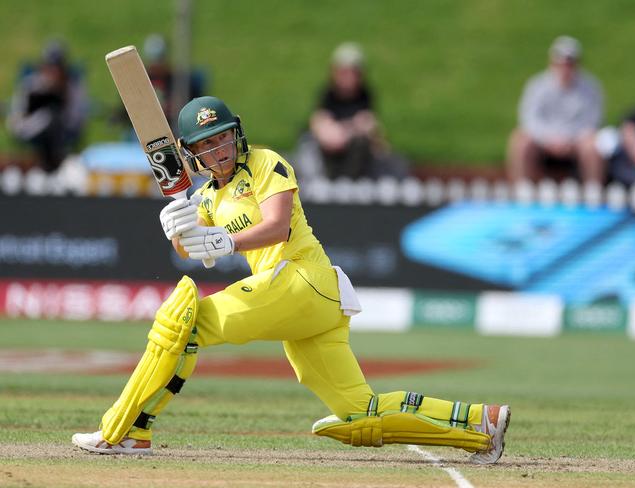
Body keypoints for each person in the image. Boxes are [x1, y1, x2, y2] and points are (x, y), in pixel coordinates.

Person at [71, 96, 509, 463]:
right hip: (304, 305)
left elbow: (277, 227)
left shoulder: (267, 163)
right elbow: (194, 251)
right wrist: (179, 229)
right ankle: (479, 424)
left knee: (184, 323)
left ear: (236, 134)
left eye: (223, 136)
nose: (219, 148)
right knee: (360, 412)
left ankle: (127, 430)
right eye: (207, 142)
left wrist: (224, 240)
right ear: (191, 152)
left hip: (302, 279)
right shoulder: (204, 196)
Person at [295, 42, 408, 182]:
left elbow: (370, 125)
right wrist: (348, 128)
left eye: (353, 73)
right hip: (327, 155)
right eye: (344, 72)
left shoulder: (365, 95)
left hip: (353, 154)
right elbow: (324, 128)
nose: (348, 78)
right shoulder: (328, 95)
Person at [506, 36, 604, 184]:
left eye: (569, 63)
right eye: (561, 63)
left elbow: (592, 120)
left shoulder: (591, 87)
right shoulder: (537, 85)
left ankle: (593, 189)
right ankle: (522, 189)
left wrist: (568, 140)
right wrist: (549, 139)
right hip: (543, 140)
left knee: (593, 144)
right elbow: (529, 118)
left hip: (576, 141)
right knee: (520, 141)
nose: (565, 68)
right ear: (552, 63)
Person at [6, 40, 89, 172]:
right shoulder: (31, 84)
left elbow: (75, 119)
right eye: (50, 67)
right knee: (48, 118)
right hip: (32, 130)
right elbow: (17, 120)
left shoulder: (72, 87)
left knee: (52, 119)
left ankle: (54, 167)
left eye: (57, 68)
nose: (53, 72)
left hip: (63, 132)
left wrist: (59, 97)